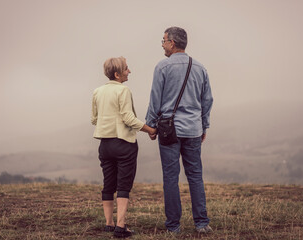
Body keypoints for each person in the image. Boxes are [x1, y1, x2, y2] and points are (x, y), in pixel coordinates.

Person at [145, 27, 214, 233]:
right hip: (193, 128)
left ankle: (174, 227)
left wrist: (151, 125)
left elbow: (155, 99)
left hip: (169, 130)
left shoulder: (163, 67)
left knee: (170, 177)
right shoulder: (200, 67)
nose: (162, 44)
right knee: (195, 175)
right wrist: (204, 125)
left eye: (164, 41)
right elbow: (207, 100)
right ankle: (202, 223)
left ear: (172, 43)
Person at [91, 56, 156, 238]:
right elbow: (128, 118)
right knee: (123, 185)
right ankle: (121, 226)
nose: (130, 71)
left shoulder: (97, 91)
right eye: (127, 69)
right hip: (124, 144)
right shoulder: (123, 91)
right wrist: (150, 129)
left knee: (108, 184)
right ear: (118, 74)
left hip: (104, 144)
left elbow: (94, 119)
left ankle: (109, 224)